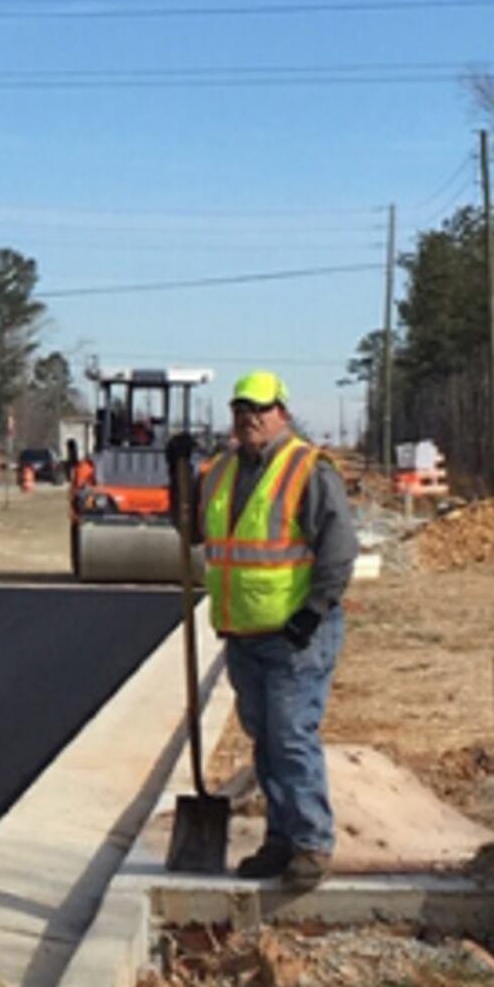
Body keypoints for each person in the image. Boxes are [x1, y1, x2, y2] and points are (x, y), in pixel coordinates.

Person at [195, 371, 358, 889]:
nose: (248, 418)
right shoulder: (221, 472)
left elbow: (338, 547)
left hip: (297, 635)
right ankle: (281, 840)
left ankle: (312, 843)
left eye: (259, 409)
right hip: (243, 633)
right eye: (240, 408)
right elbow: (191, 528)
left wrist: (313, 609)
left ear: (281, 414)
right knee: (265, 739)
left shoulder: (308, 470)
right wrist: (176, 473)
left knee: (290, 737)